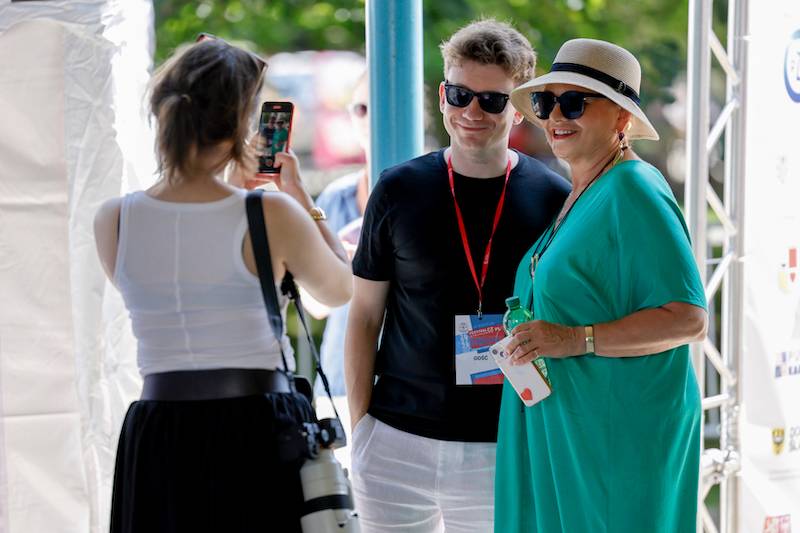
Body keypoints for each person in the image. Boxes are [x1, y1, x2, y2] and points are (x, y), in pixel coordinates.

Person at [93, 38, 351, 533]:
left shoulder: (115, 218)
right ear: (241, 124)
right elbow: (339, 290)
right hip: (252, 428)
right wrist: (300, 198)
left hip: (158, 429)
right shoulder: (270, 212)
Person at [344, 19, 570, 533]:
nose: (472, 111)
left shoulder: (553, 197)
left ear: (517, 110)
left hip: (505, 443)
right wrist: (362, 430)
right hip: (396, 442)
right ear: (442, 96)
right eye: (460, 94)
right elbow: (363, 316)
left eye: (492, 101)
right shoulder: (398, 188)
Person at [494, 38, 708, 533]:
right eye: (547, 103)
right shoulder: (584, 190)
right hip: (572, 424)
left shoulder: (633, 188)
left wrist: (574, 339)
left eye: (575, 102)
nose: (555, 116)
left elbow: (689, 318)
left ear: (621, 119)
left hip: (617, 434)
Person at [304, 72, 371, 472]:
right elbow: (315, 305)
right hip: (337, 384)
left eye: (376, 108)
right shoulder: (336, 196)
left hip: (405, 389)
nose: (368, 118)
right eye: (360, 108)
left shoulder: (429, 189)